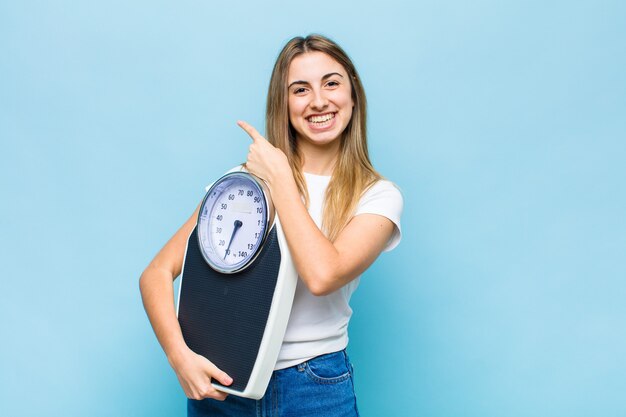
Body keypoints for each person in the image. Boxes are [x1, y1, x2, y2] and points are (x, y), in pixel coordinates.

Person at [139, 34, 403, 416]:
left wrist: (281, 179)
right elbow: (156, 273)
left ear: (353, 93)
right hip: (224, 384)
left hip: (315, 389)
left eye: (331, 83)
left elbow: (322, 275)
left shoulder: (378, 196)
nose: (318, 101)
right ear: (284, 104)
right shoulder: (244, 185)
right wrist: (179, 357)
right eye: (300, 89)